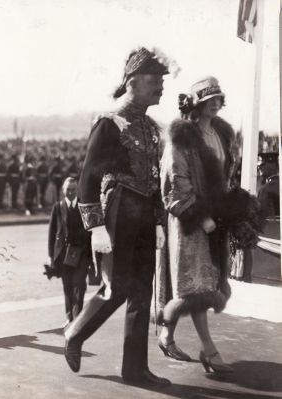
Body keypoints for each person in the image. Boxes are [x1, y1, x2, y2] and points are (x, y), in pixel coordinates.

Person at [63, 46, 172, 387]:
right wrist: (95, 227)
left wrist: (157, 222)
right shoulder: (110, 123)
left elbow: (154, 180)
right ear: (132, 82)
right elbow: (88, 179)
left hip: (143, 215)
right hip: (119, 212)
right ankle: (75, 333)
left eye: (161, 81)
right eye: (154, 80)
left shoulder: (153, 128)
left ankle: (135, 369)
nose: (161, 86)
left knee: (142, 291)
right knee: (117, 288)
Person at [157, 77, 235, 374]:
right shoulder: (181, 138)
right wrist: (199, 216)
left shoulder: (220, 133)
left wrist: (233, 207)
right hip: (190, 221)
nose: (215, 102)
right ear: (197, 103)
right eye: (209, 98)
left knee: (195, 283)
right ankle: (209, 350)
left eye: (218, 96)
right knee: (197, 286)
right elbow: (174, 182)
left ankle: (166, 335)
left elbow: (226, 174)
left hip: (215, 220)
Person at [48, 177, 92, 326]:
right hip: (63, 255)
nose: (70, 192)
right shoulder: (58, 207)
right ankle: (69, 316)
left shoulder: (83, 206)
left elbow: (90, 232)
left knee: (79, 285)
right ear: (63, 190)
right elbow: (52, 233)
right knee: (67, 286)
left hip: (81, 254)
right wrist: (50, 256)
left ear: (77, 189)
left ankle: (77, 315)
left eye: (73, 189)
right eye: (68, 190)